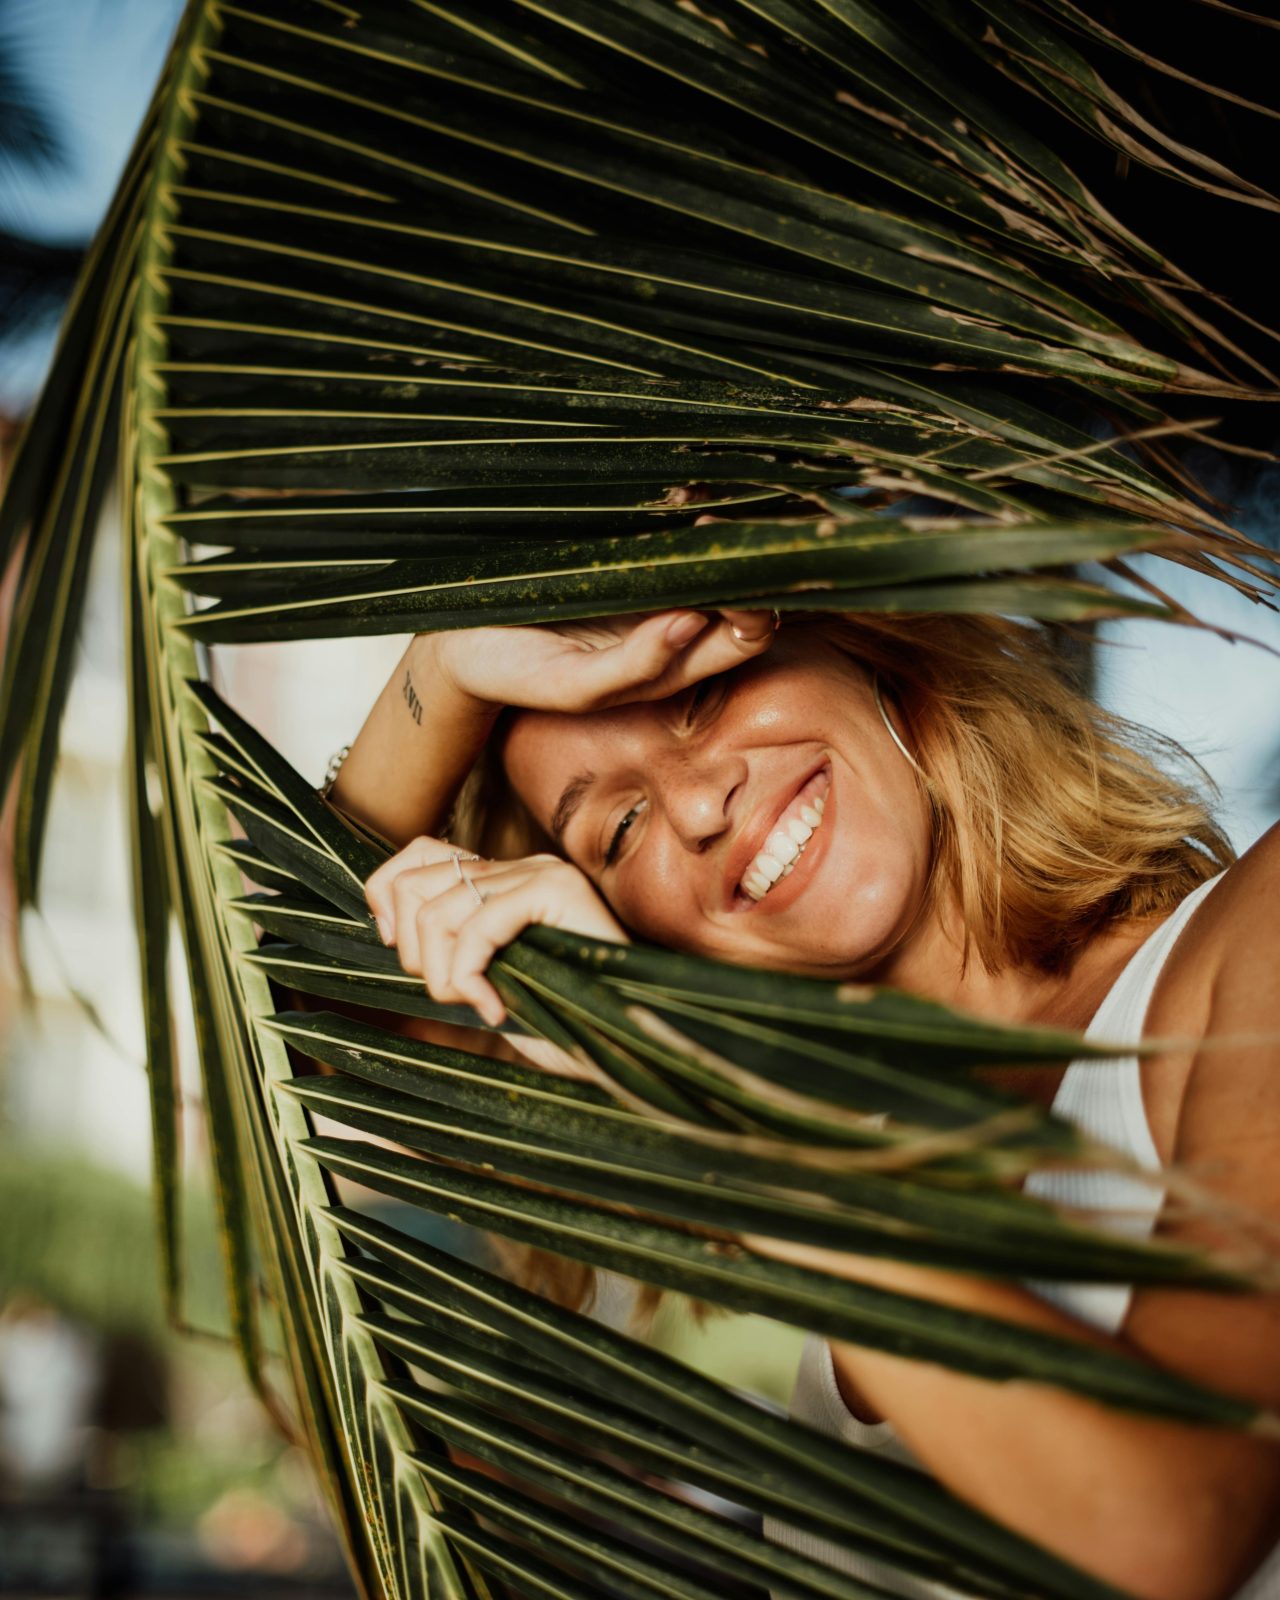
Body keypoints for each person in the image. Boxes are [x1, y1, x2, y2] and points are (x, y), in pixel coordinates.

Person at [329, 608, 1280, 1600]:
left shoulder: (1252, 933)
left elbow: (1172, 1529)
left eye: (697, 697)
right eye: (619, 827)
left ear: (853, 638)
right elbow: (311, 1014)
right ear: (627, 928)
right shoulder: (832, 1146)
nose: (699, 805)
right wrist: (446, 665)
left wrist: (707, 1100)